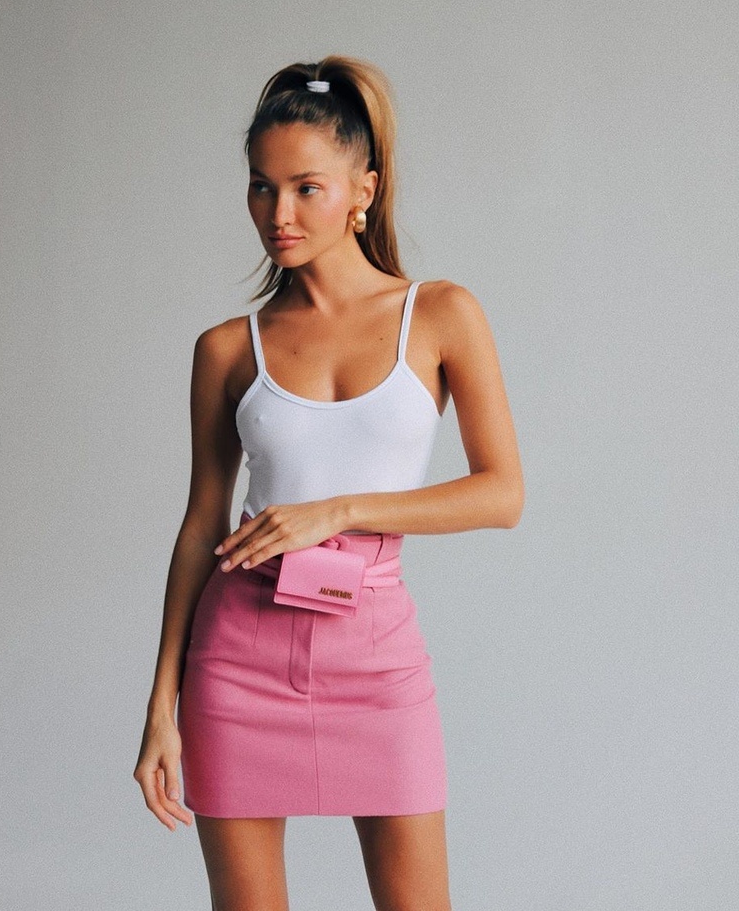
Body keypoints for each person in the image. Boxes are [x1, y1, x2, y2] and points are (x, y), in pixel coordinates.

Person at [134, 55, 524, 911]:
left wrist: (338, 511)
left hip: (377, 655)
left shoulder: (441, 315)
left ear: (363, 191)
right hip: (236, 658)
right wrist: (161, 704)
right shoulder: (227, 349)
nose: (278, 214)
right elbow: (201, 525)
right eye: (261, 188)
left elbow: (502, 494)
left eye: (306, 188)